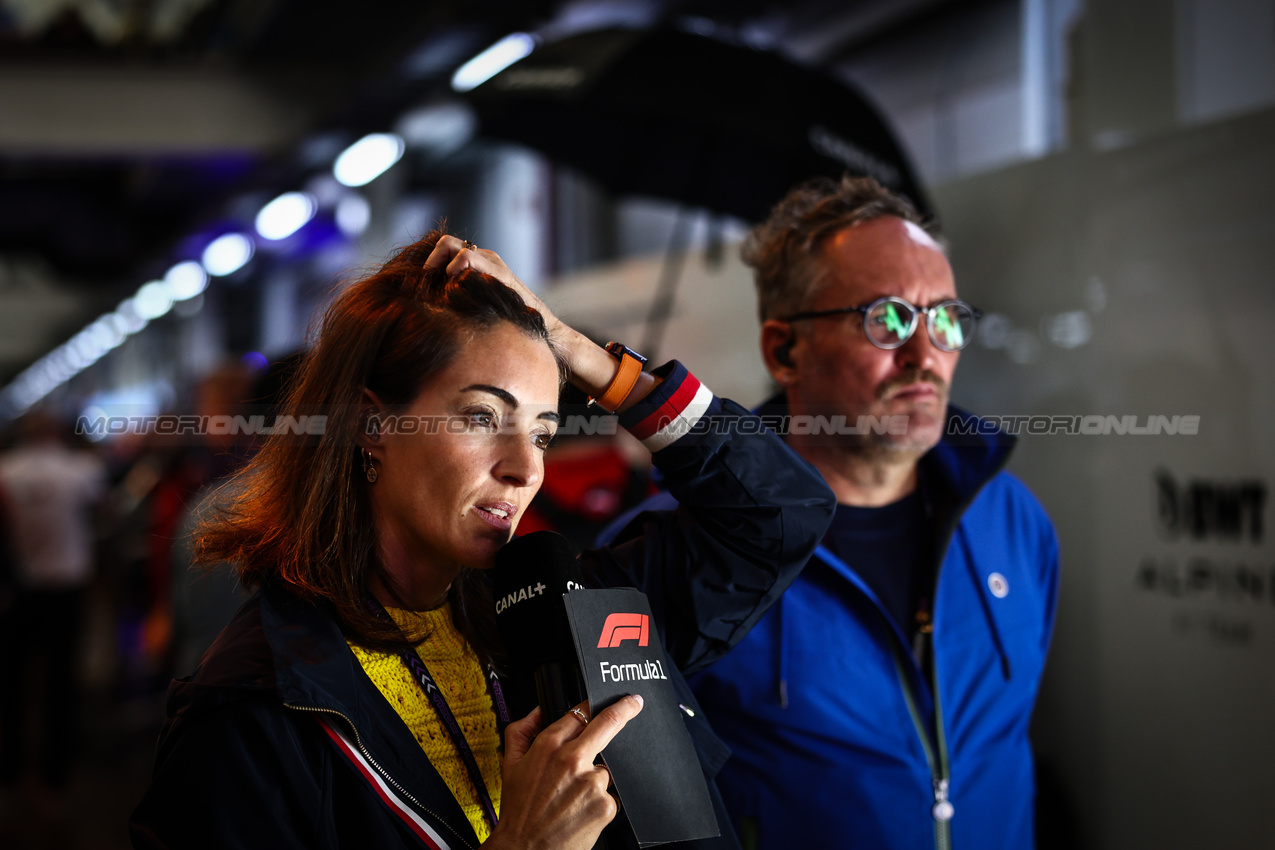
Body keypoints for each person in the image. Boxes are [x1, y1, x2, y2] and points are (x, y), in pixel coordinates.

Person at [128, 230, 834, 850]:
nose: (525, 468)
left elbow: (780, 511)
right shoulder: (251, 710)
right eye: (480, 417)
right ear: (373, 426)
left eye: (542, 432)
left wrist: (567, 343)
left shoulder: (576, 615)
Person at [600, 175, 1060, 850]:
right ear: (784, 350)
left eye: (945, 320)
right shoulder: (671, 556)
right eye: (888, 319)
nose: (924, 356)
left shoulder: (1013, 523)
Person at [0, 410, 107, 807]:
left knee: (12, 685)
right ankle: (55, 778)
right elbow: (103, 510)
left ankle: (10, 773)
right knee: (60, 684)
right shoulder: (81, 470)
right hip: (66, 586)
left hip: (16, 590)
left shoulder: (5, 471)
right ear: (58, 430)